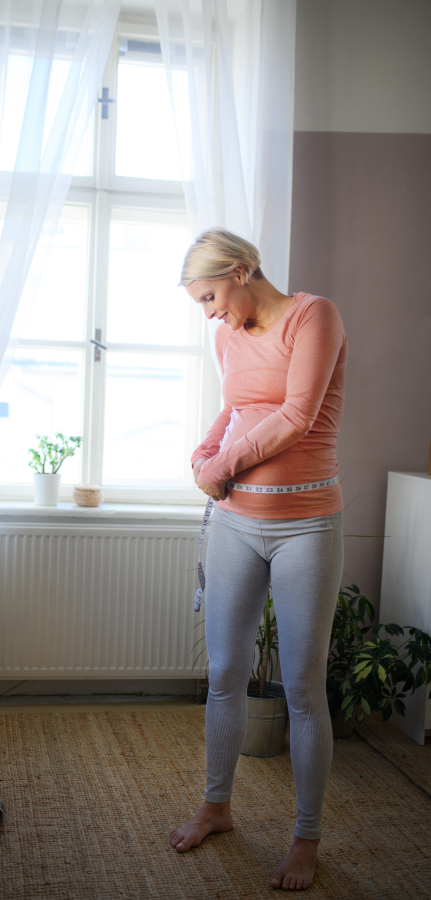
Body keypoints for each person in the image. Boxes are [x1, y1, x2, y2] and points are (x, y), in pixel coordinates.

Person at [170, 228, 347, 892]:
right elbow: (236, 410)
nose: (210, 313)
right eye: (202, 303)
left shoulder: (314, 315)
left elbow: (297, 416)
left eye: (211, 296)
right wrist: (202, 455)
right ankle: (217, 806)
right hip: (235, 525)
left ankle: (306, 838)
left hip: (305, 526)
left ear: (242, 271)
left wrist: (224, 464)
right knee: (223, 674)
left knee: (302, 690)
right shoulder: (226, 335)